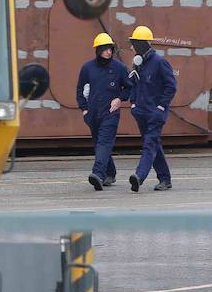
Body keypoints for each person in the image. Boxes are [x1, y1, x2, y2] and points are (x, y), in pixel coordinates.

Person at [126, 24, 176, 192]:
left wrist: (161, 107)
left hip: (155, 114)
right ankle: (165, 179)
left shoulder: (160, 63)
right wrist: (133, 103)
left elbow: (171, 86)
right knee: (154, 145)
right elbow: (134, 85)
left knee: (149, 145)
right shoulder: (137, 63)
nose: (131, 47)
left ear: (142, 44)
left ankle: (139, 176)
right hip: (141, 113)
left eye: (134, 43)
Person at [75, 32, 128, 191]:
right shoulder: (87, 68)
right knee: (99, 144)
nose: (108, 52)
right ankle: (110, 173)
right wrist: (84, 109)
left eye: (110, 49)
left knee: (104, 142)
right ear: (98, 50)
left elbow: (130, 87)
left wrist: (120, 98)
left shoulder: (119, 68)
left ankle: (98, 174)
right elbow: (80, 89)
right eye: (105, 49)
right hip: (92, 114)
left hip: (110, 113)